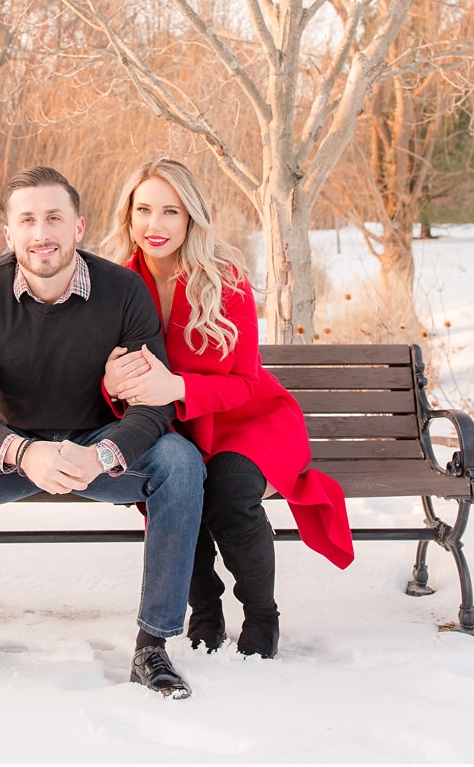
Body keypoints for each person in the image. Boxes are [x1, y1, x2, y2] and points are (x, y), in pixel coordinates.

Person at [0, 165, 206, 702]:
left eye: (54, 218)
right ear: (8, 232)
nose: (40, 233)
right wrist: (24, 453)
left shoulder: (124, 292)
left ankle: (152, 647)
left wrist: (106, 454)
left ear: (79, 227)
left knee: (181, 464)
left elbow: (154, 405)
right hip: (8, 453)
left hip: (96, 452)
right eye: (27, 219)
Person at [101, 158, 354, 659]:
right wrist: (113, 382)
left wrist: (176, 385)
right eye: (144, 210)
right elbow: (106, 378)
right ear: (128, 217)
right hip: (172, 425)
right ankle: (205, 609)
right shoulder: (113, 285)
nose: (156, 225)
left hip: (247, 420)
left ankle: (262, 614)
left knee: (231, 489)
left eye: (170, 211)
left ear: (191, 217)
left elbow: (243, 383)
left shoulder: (225, 280)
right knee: (174, 485)